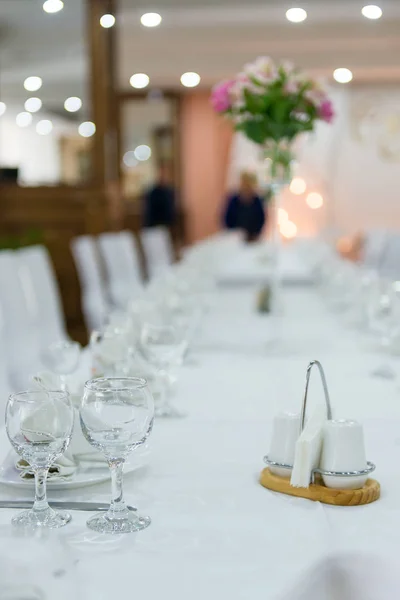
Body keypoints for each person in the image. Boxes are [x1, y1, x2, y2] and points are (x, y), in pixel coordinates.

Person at [222, 171, 267, 241]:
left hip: (253, 238)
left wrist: (254, 235)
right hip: (235, 238)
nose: (246, 185)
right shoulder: (233, 200)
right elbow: (226, 219)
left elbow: (261, 219)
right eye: (244, 183)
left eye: (248, 183)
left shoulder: (257, 201)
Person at [143, 164, 176, 228]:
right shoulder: (152, 193)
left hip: (167, 226)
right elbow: (150, 213)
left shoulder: (169, 191)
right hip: (155, 227)